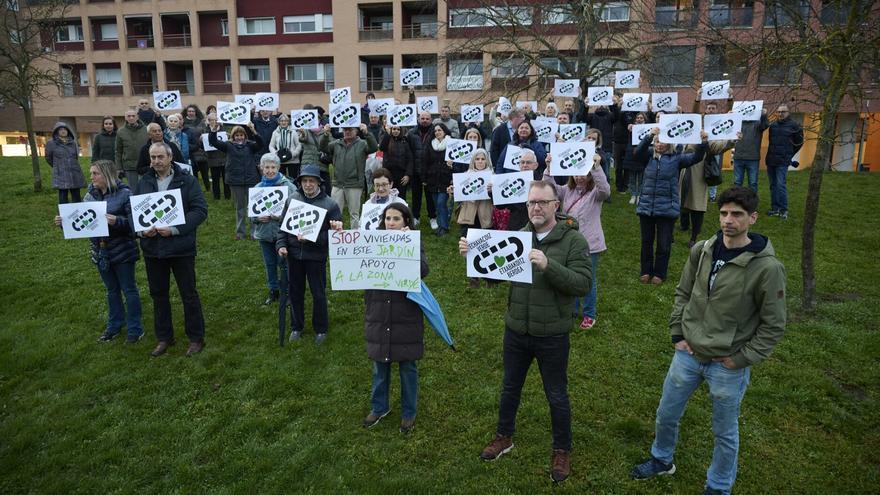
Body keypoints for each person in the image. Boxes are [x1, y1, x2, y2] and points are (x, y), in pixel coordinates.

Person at [631, 186, 786, 495]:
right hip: (688, 353)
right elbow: (683, 292)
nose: (729, 220)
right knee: (666, 413)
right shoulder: (703, 249)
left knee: (725, 432)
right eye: (724, 213)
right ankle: (662, 460)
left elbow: (773, 325)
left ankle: (718, 486)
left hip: (727, 364)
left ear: (753, 218)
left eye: (737, 215)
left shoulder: (767, 268)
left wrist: (739, 360)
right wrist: (678, 333)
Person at [460, 180, 592, 483]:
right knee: (510, 387)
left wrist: (549, 265)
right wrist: (472, 258)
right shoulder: (519, 237)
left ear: (555, 206)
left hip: (553, 333)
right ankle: (504, 436)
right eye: (532, 202)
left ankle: (562, 449)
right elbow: (494, 276)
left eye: (542, 202)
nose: (535, 207)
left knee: (556, 394)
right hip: (517, 328)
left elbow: (582, 284)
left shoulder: (573, 241)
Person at [347, 202, 429, 433]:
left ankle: (409, 413)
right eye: (388, 219)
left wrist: (409, 244)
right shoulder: (371, 242)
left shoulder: (412, 241)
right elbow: (353, 263)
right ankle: (379, 406)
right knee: (379, 365)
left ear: (406, 222)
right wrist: (340, 234)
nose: (391, 223)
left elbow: (423, 270)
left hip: (405, 314)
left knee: (407, 366)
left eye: (396, 219)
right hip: (379, 312)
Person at [53, 160, 144, 343]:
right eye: (91, 173)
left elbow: (136, 224)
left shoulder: (125, 194)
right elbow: (83, 224)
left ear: (107, 175)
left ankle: (135, 329)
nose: (92, 177)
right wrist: (65, 224)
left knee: (129, 289)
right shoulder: (90, 196)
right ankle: (114, 326)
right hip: (101, 252)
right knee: (112, 290)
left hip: (122, 250)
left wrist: (117, 221)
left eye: (95, 174)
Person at [135, 142, 208, 357]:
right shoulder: (144, 182)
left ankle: (196, 338)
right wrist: (141, 231)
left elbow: (200, 211)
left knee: (189, 294)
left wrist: (175, 229)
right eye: (153, 157)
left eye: (160, 157)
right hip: (153, 249)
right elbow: (133, 210)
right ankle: (164, 337)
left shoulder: (187, 181)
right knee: (158, 294)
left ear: (169, 158)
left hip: (180, 248)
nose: (156, 161)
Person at [276, 164, 342, 346]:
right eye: (304, 181)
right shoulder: (292, 200)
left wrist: (311, 239)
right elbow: (282, 227)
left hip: (316, 257)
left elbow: (334, 236)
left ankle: (321, 329)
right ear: (299, 182)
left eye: (311, 181)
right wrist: (281, 245)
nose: (308, 184)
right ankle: (296, 326)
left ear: (318, 183)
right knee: (295, 292)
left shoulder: (330, 205)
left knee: (318, 294)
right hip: (294, 256)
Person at [544, 153, 610, 329]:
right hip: (569, 242)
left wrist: (596, 167)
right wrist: (549, 168)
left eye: (584, 173)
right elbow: (550, 188)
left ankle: (589, 313)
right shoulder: (567, 190)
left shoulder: (595, 193)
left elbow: (605, 189)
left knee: (588, 278)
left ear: (589, 175)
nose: (580, 177)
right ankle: (572, 309)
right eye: (576, 173)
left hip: (590, 243)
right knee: (569, 275)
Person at [634, 127, 708, 285]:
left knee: (663, 244)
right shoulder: (648, 155)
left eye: (663, 142)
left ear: (670, 144)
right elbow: (637, 153)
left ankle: (659, 273)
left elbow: (697, 157)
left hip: (667, 208)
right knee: (646, 242)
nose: (659, 144)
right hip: (647, 207)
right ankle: (646, 271)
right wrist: (649, 135)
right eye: (657, 141)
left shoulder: (677, 158)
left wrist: (703, 142)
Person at [680, 133, 741, 247]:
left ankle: (694, 236)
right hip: (681, 170)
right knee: (680, 199)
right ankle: (683, 225)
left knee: (697, 204)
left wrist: (732, 140)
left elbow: (717, 146)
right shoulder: (685, 128)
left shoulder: (707, 134)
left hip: (698, 172)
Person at [253, 153, 296, 305]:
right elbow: (251, 212)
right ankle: (273, 290)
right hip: (264, 234)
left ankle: (288, 291)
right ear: (261, 168)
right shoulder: (257, 188)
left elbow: (296, 210)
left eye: (273, 167)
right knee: (269, 263)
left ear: (278, 168)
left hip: (282, 234)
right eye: (266, 167)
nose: (270, 170)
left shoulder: (289, 186)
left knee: (284, 263)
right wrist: (257, 218)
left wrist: (280, 217)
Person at [209, 122, 263, 240]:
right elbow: (213, 142)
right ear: (233, 136)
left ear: (245, 136)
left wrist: (253, 131)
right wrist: (214, 130)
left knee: (253, 208)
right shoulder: (228, 146)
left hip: (251, 180)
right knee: (240, 208)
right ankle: (240, 233)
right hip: (235, 181)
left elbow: (261, 143)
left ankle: (255, 233)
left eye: (241, 135)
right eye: (237, 135)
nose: (239, 137)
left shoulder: (250, 146)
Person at [320, 123, 378, 229]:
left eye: (350, 129)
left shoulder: (362, 143)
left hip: (354, 184)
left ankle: (354, 239)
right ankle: (335, 238)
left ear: (356, 131)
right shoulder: (336, 144)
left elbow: (374, 147)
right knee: (334, 213)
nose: (347, 132)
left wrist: (367, 132)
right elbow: (323, 147)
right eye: (345, 129)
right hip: (338, 184)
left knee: (354, 214)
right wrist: (325, 134)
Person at [451, 149, 495, 287]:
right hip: (468, 217)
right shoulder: (464, 177)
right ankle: (473, 277)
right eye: (477, 159)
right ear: (473, 161)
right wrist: (453, 191)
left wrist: (492, 191)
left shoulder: (493, 177)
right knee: (469, 247)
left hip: (485, 216)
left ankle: (489, 277)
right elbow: (459, 199)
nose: (480, 162)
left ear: (487, 161)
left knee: (487, 246)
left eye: (483, 159)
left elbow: (498, 200)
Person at [765, 104, 803, 219]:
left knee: (781, 185)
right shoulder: (773, 126)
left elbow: (799, 143)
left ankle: (784, 210)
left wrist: (789, 154)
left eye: (783, 112)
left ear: (788, 113)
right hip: (771, 159)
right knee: (773, 185)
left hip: (783, 161)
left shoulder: (795, 126)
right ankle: (775, 209)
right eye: (779, 112)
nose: (780, 114)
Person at [407, 111, 438, 228]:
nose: (424, 120)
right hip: (416, 170)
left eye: (427, 118)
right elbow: (408, 152)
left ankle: (433, 217)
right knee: (416, 196)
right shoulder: (411, 133)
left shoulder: (436, 132)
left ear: (431, 120)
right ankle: (415, 217)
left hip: (430, 171)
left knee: (430, 196)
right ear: (418, 119)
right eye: (422, 118)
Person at [423, 123, 454, 236]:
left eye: (439, 130)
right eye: (435, 131)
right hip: (432, 179)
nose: (437, 132)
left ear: (444, 131)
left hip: (446, 179)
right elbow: (425, 162)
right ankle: (441, 226)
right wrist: (424, 178)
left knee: (441, 203)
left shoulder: (452, 144)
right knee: (437, 205)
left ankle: (444, 227)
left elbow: (457, 162)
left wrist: (452, 169)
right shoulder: (430, 144)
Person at [45, 121, 85, 204]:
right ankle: (64, 214)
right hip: (61, 173)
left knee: (76, 195)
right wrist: (58, 166)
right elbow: (48, 158)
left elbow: (75, 157)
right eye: (60, 129)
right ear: (56, 131)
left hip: (74, 171)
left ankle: (78, 212)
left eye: (65, 129)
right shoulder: (51, 143)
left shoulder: (72, 143)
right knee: (63, 195)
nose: (63, 131)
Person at [732, 109, 769, 194]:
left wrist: (764, 115)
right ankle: (737, 203)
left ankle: (752, 205)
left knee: (753, 183)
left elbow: (765, 125)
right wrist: (730, 115)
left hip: (753, 158)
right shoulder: (737, 123)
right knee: (737, 183)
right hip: (738, 157)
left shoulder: (757, 123)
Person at [378, 125, 415, 202]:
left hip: (401, 175)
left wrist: (408, 174)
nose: (396, 131)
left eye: (398, 129)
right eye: (394, 129)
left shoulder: (405, 141)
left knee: (401, 197)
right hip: (388, 174)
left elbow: (410, 159)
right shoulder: (387, 139)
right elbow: (382, 147)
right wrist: (387, 134)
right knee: (388, 197)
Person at [115, 109, 149, 188]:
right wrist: (119, 168)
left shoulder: (146, 129)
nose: (131, 118)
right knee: (133, 190)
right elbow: (118, 151)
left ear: (137, 117)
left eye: (133, 116)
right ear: (125, 118)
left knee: (145, 189)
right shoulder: (121, 132)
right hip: (129, 167)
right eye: (129, 116)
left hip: (144, 166)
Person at [622, 112, 650, 205]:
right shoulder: (631, 128)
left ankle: (639, 195)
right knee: (632, 177)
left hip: (643, 155)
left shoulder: (649, 129)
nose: (639, 119)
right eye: (637, 118)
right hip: (632, 155)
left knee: (642, 177)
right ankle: (633, 195)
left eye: (641, 118)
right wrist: (630, 127)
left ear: (644, 119)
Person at [183, 104, 210, 191]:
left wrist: (204, 137)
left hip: (201, 150)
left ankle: (208, 188)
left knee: (204, 171)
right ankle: (196, 189)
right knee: (193, 173)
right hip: (191, 151)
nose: (191, 113)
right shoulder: (183, 123)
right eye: (189, 111)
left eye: (193, 111)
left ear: (196, 112)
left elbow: (206, 132)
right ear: (186, 112)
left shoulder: (201, 122)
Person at [203, 113, 230, 200]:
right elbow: (202, 146)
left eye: (216, 120)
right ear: (209, 121)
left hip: (224, 158)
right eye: (212, 120)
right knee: (215, 179)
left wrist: (229, 138)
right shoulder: (205, 131)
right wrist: (201, 141)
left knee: (226, 179)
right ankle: (216, 196)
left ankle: (227, 196)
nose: (214, 122)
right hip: (212, 158)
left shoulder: (223, 130)